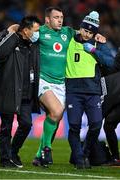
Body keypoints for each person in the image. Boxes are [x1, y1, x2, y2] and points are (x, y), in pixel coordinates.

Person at [32, 7, 106, 167]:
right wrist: (13, 28)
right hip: (44, 80)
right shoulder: (40, 33)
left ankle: (40, 155)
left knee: (55, 117)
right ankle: (47, 148)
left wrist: (97, 35)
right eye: (56, 17)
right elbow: (23, 31)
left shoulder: (68, 33)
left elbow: (84, 31)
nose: (60, 20)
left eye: (61, 17)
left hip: (61, 83)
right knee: (57, 111)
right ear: (47, 19)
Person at [65, 11, 114, 169]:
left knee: (96, 124)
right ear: (80, 28)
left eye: (91, 32)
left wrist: (94, 51)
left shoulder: (97, 44)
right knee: (74, 126)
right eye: (85, 30)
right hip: (73, 91)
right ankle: (80, 160)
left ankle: (85, 154)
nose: (87, 34)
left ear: (95, 33)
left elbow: (110, 63)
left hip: (93, 91)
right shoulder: (69, 41)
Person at [0, 15, 41, 168]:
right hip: (9, 90)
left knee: (26, 124)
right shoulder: (11, 39)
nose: (37, 34)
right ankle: (5, 160)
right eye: (35, 30)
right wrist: (10, 33)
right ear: (25, 31)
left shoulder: (33, 46)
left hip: (26, 93)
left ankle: (13, 152)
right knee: (6, 127)